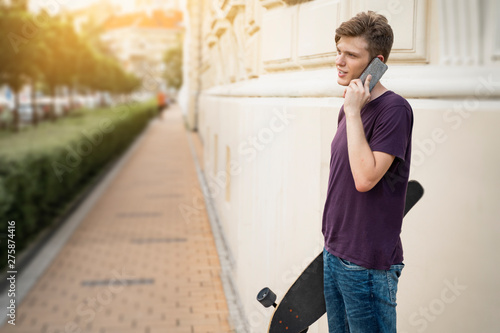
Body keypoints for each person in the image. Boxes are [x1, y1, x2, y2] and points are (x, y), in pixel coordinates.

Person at [322, 11, 414, 333]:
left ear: (376, 61)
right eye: (338, 51)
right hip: (334, 254)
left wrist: (352, 111)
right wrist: (352, 110)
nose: (339, 61)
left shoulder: (394, 110)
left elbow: (365, 178)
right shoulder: (353, 109)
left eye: (351, 54)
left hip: (367, 267)